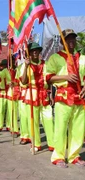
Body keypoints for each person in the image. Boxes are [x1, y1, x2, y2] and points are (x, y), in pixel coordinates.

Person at [46, 29, 85, 168]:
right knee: (61, 129)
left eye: (73, 38)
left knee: (78, 129)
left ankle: (74, 155)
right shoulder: (55, 58)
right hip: (63, 98)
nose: (71, 41)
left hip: (79, 98)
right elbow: (49, 78)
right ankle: (58, 157)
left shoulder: (82, 58)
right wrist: (65, 77)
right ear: (63, 42)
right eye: (68, 39)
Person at [20, 42, 54, 152]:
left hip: (44, 94)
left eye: (37, 50)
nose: (35, 52)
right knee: (33, 120)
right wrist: (26, 65)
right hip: (32, 94)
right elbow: (24, 81)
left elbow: (49, 80)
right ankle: (36, 143)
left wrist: (51, 94)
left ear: (39, 52)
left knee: (49, 119)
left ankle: (52, 143)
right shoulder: (25, 65)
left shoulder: (46, 64)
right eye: (32, 50)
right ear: (29, 53)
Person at [6, 58, 20, 137]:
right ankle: (14, 129)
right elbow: (0, 77)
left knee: (22, 114)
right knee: (12, 112)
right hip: (11, 92)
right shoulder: (6, 71)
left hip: (20, 92)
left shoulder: (20, 68)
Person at [0, 59, 11, 131]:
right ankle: (0, 125)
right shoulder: (0, 72)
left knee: (9, 110)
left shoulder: (10, 71)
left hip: (9, 92)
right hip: (2, 92)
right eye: (3, 66)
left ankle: (9, 125)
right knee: (1, 110)